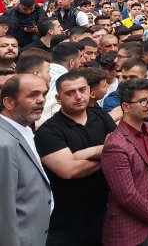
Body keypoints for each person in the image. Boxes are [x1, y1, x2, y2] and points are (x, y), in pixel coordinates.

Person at [35, 71, 117, 245]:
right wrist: (109, 152)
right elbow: (69, 170)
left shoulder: (101, 116)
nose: (78, 96)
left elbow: (124, 149)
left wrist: (86, 154)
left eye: (82, 90)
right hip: (68, 221)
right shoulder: (49, 131)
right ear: (58, 98)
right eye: (70, 93)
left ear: (89, 91)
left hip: (107, 212)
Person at [101, 78, 148, 246]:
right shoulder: (116, 145)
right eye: (143, 101)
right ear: (126, 107)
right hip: (129, 231)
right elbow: (126, 196)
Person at [0, 74, 52, 246]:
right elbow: (4, 209)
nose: (42, 100)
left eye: (44, 94)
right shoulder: (4, 144)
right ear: (9, 103)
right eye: (33, 95)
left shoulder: (25, 130)